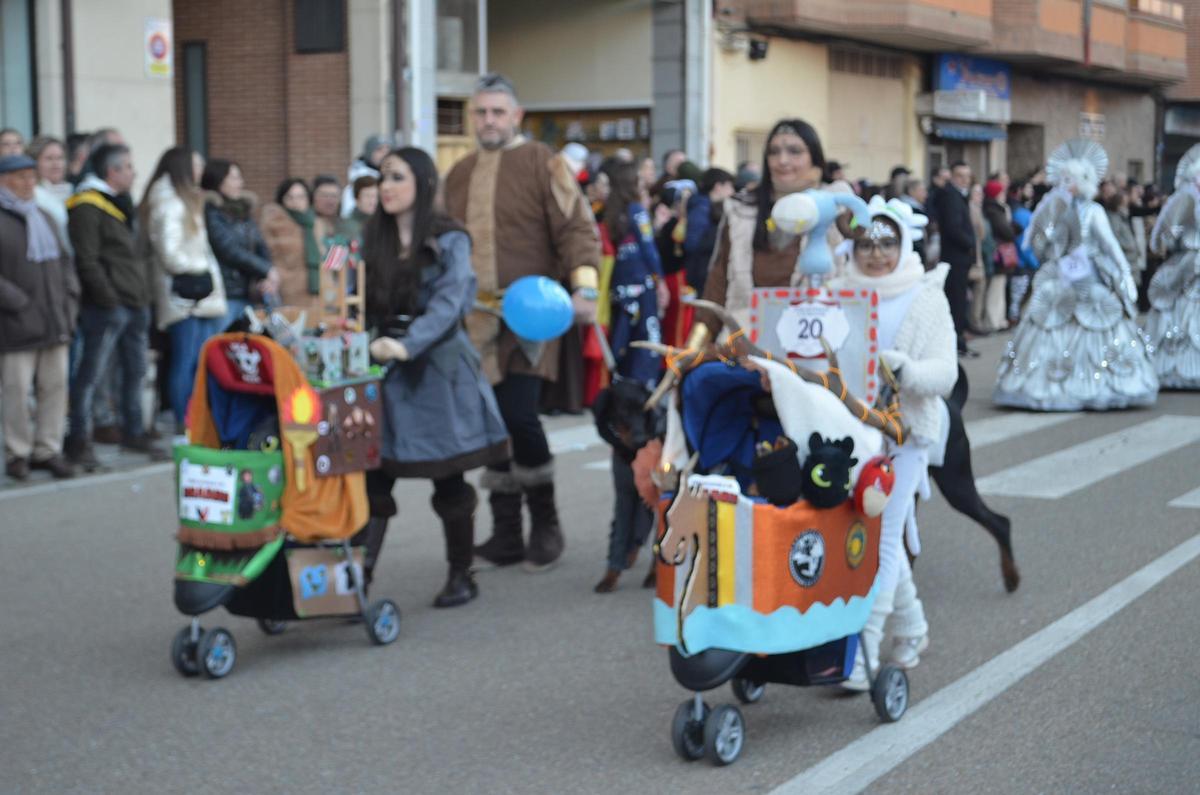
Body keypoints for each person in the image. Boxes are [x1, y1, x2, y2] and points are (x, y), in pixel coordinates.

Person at [443, 73, 601, 572]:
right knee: (490, 423)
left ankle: (546, 522)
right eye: (480, 112)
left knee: (518, 414)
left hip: (531, 314)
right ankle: (507, 532)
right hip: (473, 320)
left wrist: (585, 287)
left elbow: (577, 227)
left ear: (516, 116)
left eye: (497, 112)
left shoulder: (542, 162)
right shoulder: (459, 172)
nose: (488, 120)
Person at [359, 146, 510, 606]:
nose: (386, 186)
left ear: (422, 184)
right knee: (372, 478)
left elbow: (451, 304)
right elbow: (353, 297)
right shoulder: (372, 238)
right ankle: (354, 580)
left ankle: (462, 576)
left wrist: (407, 344)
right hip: (384, 366)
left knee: (447, 479)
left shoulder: (450, 238)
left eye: (397, 177)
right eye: (382, 177)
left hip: (437, 369)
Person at [828, 196, 951, 688]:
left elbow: (946, 371)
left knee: (881, 537)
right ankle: (914, 628)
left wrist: (910, 370)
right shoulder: (837, 294)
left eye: (887, 242)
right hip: (850, 435)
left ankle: (863, 651)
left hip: (906, 436)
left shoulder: (926, 295)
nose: (876, 253)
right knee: (875, 536)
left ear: (904, 244)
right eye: (865, 243)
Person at [994, 140, 1158, 410]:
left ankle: (1096, 380)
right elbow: (1041, 246)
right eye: (1064, 178)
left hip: (1089, 277)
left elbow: (1110, 245)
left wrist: (1125, 273)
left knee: (1096, 320)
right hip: (1062, 278)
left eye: (1072, 179)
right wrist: (1047, 229)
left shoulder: (1094, 211)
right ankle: (1049, 381)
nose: (1067, 183)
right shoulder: (1056, 211)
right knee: (1050, 319)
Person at [65, 143, 165, 468]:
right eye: (128, 167)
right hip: (108, 306)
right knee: (92, 375)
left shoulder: (122, 204)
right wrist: (108, 299)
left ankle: (133, 429)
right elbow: (88, 259)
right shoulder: (88, 205)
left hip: (134, 302)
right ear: (112, 171)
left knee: (134, 371)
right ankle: (79, 439)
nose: (133, 173)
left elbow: (134, 256)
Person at [695, 118, 837, 342]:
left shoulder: (836, 206)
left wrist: (843, 205)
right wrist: (696, 345)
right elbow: (717, 282)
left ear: (814, 158)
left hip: (814, 347)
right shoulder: (742, 211)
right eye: (774, 152)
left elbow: (862, 267)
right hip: (745, 344)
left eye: (794, 151)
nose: (782, 160)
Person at [593, 160, 666, 593]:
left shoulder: (626, 214)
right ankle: (628, 554)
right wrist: (655, 280)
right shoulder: (624, 214)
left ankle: (640, 553)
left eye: (604, 178)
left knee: (634, 374)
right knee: (637, 374)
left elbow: (647, 250)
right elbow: (648, 250)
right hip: (634, 299)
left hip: (628, 302)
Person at [0, 154, 79, 480]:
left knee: (55, 387)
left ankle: (48, 449)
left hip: (54, 318)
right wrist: (17, 301)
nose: (29, 183)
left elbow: (64, 262)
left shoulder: (44, 215)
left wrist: (70, 299)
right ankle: (17, 452)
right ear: (4, 181)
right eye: (21, 177)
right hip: (15, 321)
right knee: (16, 390)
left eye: (32, 176)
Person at [141, 147, 228, 429]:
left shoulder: (183, 199)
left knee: (197, 361)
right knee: (186, 361)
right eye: (196, 164)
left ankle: (196, 418)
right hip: (185, 295)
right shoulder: (170, 202)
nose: (201, 170)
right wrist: (199, 269)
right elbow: (170, 253)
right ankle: (186, 420)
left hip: (197, 295)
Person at [1145, 144, 1200, 389]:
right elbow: (1164, 235)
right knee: (1183, 308)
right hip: (1190, 262)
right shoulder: (1186, 198)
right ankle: (1177, 363)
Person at [201, 158, 276, 327]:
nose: (240, 183)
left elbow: (260, 246)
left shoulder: (243, 211)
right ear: (218, 181)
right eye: (234, 178)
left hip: (248, 292)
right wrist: (265, 268)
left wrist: (267, 276)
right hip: (224, 293)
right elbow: (228, 249)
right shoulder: (211, 210)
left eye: (240, 178)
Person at [931, 161, 978, 357]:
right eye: (960, 175)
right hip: (955, 258)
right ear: (952, 176)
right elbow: (953, 228)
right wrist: (969, 243)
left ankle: (958, 343)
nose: (965, 180)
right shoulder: (951, 196)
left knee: (959, 302)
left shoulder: (958, 196)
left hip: (959, 258)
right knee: (956, 303)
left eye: (968, 176)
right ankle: (956, 344)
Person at [260, 178, 323, 316]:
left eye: (301, 197)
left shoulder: (315, 224)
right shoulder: (274, 223)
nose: (296, 202)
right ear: (282, 200)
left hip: (318, 292)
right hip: (286, 292)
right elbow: (266, 257)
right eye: (290, 197)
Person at [682, 167, 734, 295]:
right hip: (700, 273)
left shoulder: (707, 206)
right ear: (718, 186)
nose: (732, 191)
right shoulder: (701, 208)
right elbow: (692, 243)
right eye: (729, 186)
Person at [27, 135, 73, 254]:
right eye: (49, 158)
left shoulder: (73, 191)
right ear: (34, 163)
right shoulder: (33, 196)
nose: (56, 164)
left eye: (60, 158)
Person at [982, 178, 1015, 331]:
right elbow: (1006, 231)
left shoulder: (997, 208)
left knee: (999, 287)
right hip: (997, 254)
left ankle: (999, 319)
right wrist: (1013, 230)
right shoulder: (994, 210)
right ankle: (993, 321)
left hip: (999, 254)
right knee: (995, 288)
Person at [339, 134, 390, 218]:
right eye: (379, 150)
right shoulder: (357, 181)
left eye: (387, 150)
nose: (385, 154)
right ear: (369, 153)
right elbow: (348, 216)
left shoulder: (388, 178)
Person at [336, 174, 379, 245]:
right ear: (357, 199)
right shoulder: (348, 227)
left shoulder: (380, 222)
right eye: (367, 196)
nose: (373, 201)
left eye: (375, 196)